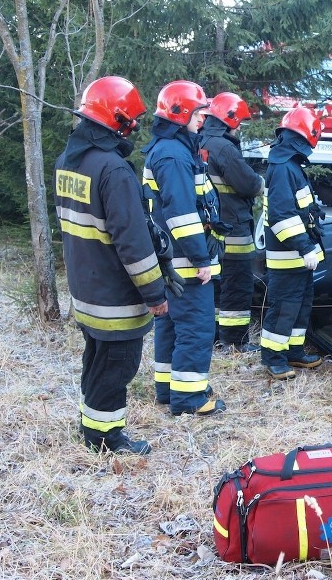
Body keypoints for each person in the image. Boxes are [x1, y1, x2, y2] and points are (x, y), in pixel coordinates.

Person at [54, 76, 166, 454]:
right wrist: (155, 293)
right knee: (115, 368)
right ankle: (105, 439)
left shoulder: (69, 160)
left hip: (85, 289)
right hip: (116, 299)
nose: (134, 126)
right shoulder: (114, 171)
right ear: (118, 120)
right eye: (131, 119)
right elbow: (133, 245)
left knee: (96, 360)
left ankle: (89, 426)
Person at [142, 80, 226, 416]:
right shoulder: (174, 154)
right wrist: (200, 257)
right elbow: (181, 213)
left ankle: (168, 389)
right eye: (198, 113)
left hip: (170, 258)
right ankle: (189, 399)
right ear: (180, 113)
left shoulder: (164, 148)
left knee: (171, 325)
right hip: (186, 260)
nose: (202, 119)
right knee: (195, 327)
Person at [260, 106, 326, 379]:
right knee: (284, 308)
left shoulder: (290, 165)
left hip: (298, 259)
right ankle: (273, 358)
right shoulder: (283, 167)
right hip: (288, 258)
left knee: (300, 306)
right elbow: (281, 216)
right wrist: (305, 246)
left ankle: (293, 353)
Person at [201, 92, 264, 352]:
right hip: (234, 227)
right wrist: (261, 182)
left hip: (211, 229)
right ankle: (235, 341)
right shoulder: (224, 147)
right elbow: (248, 184)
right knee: (237, 284)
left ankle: (216, 336)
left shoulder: (200, 141)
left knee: (216, 286)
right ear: (231, 119)